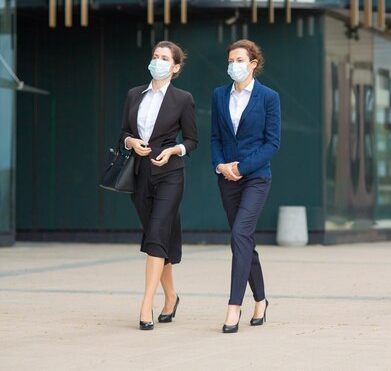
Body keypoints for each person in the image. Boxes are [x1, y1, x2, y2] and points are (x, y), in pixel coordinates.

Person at [119, 41, 198, 330]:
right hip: (139, 175)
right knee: (158, 237)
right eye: (155, 56)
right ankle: (172, 296)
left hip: (170, 175)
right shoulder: (133, 95)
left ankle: (145, 305)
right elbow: (123, 133)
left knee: (155, 236)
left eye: (165, 58)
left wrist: (173, 150)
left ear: (175, 67)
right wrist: (131, 142)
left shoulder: (183, 99)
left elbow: (192, 141)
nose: (158, 61)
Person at [210, 39, 281, 333]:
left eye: (239, 60)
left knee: (240, 234)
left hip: (256, 178)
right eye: (230, 61)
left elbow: (272, 143)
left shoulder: (268, 97)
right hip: (227, 178)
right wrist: (221, 165)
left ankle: (233, 306)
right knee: (244, 242)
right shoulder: (219, 95)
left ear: (253, 64)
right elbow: (215, 137)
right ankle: (261, 300)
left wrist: (242, 166)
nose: (233, 66)